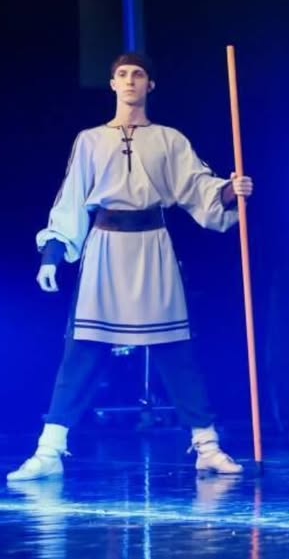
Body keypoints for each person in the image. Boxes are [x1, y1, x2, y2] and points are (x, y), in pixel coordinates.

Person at [9, 53, 252, 482]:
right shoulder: (90, 141)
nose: (129, 81)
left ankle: (207, 446)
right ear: (112, 84)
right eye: (121, 75)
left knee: (175, 349)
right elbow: (71, 200)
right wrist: (53, 255)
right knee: (83, 348)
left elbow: (198, 187)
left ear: (149, 85)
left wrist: (230, 192)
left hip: (152, 247)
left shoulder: (169, 140)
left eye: (137, 75)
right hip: (105, 250)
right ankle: (49, 450)